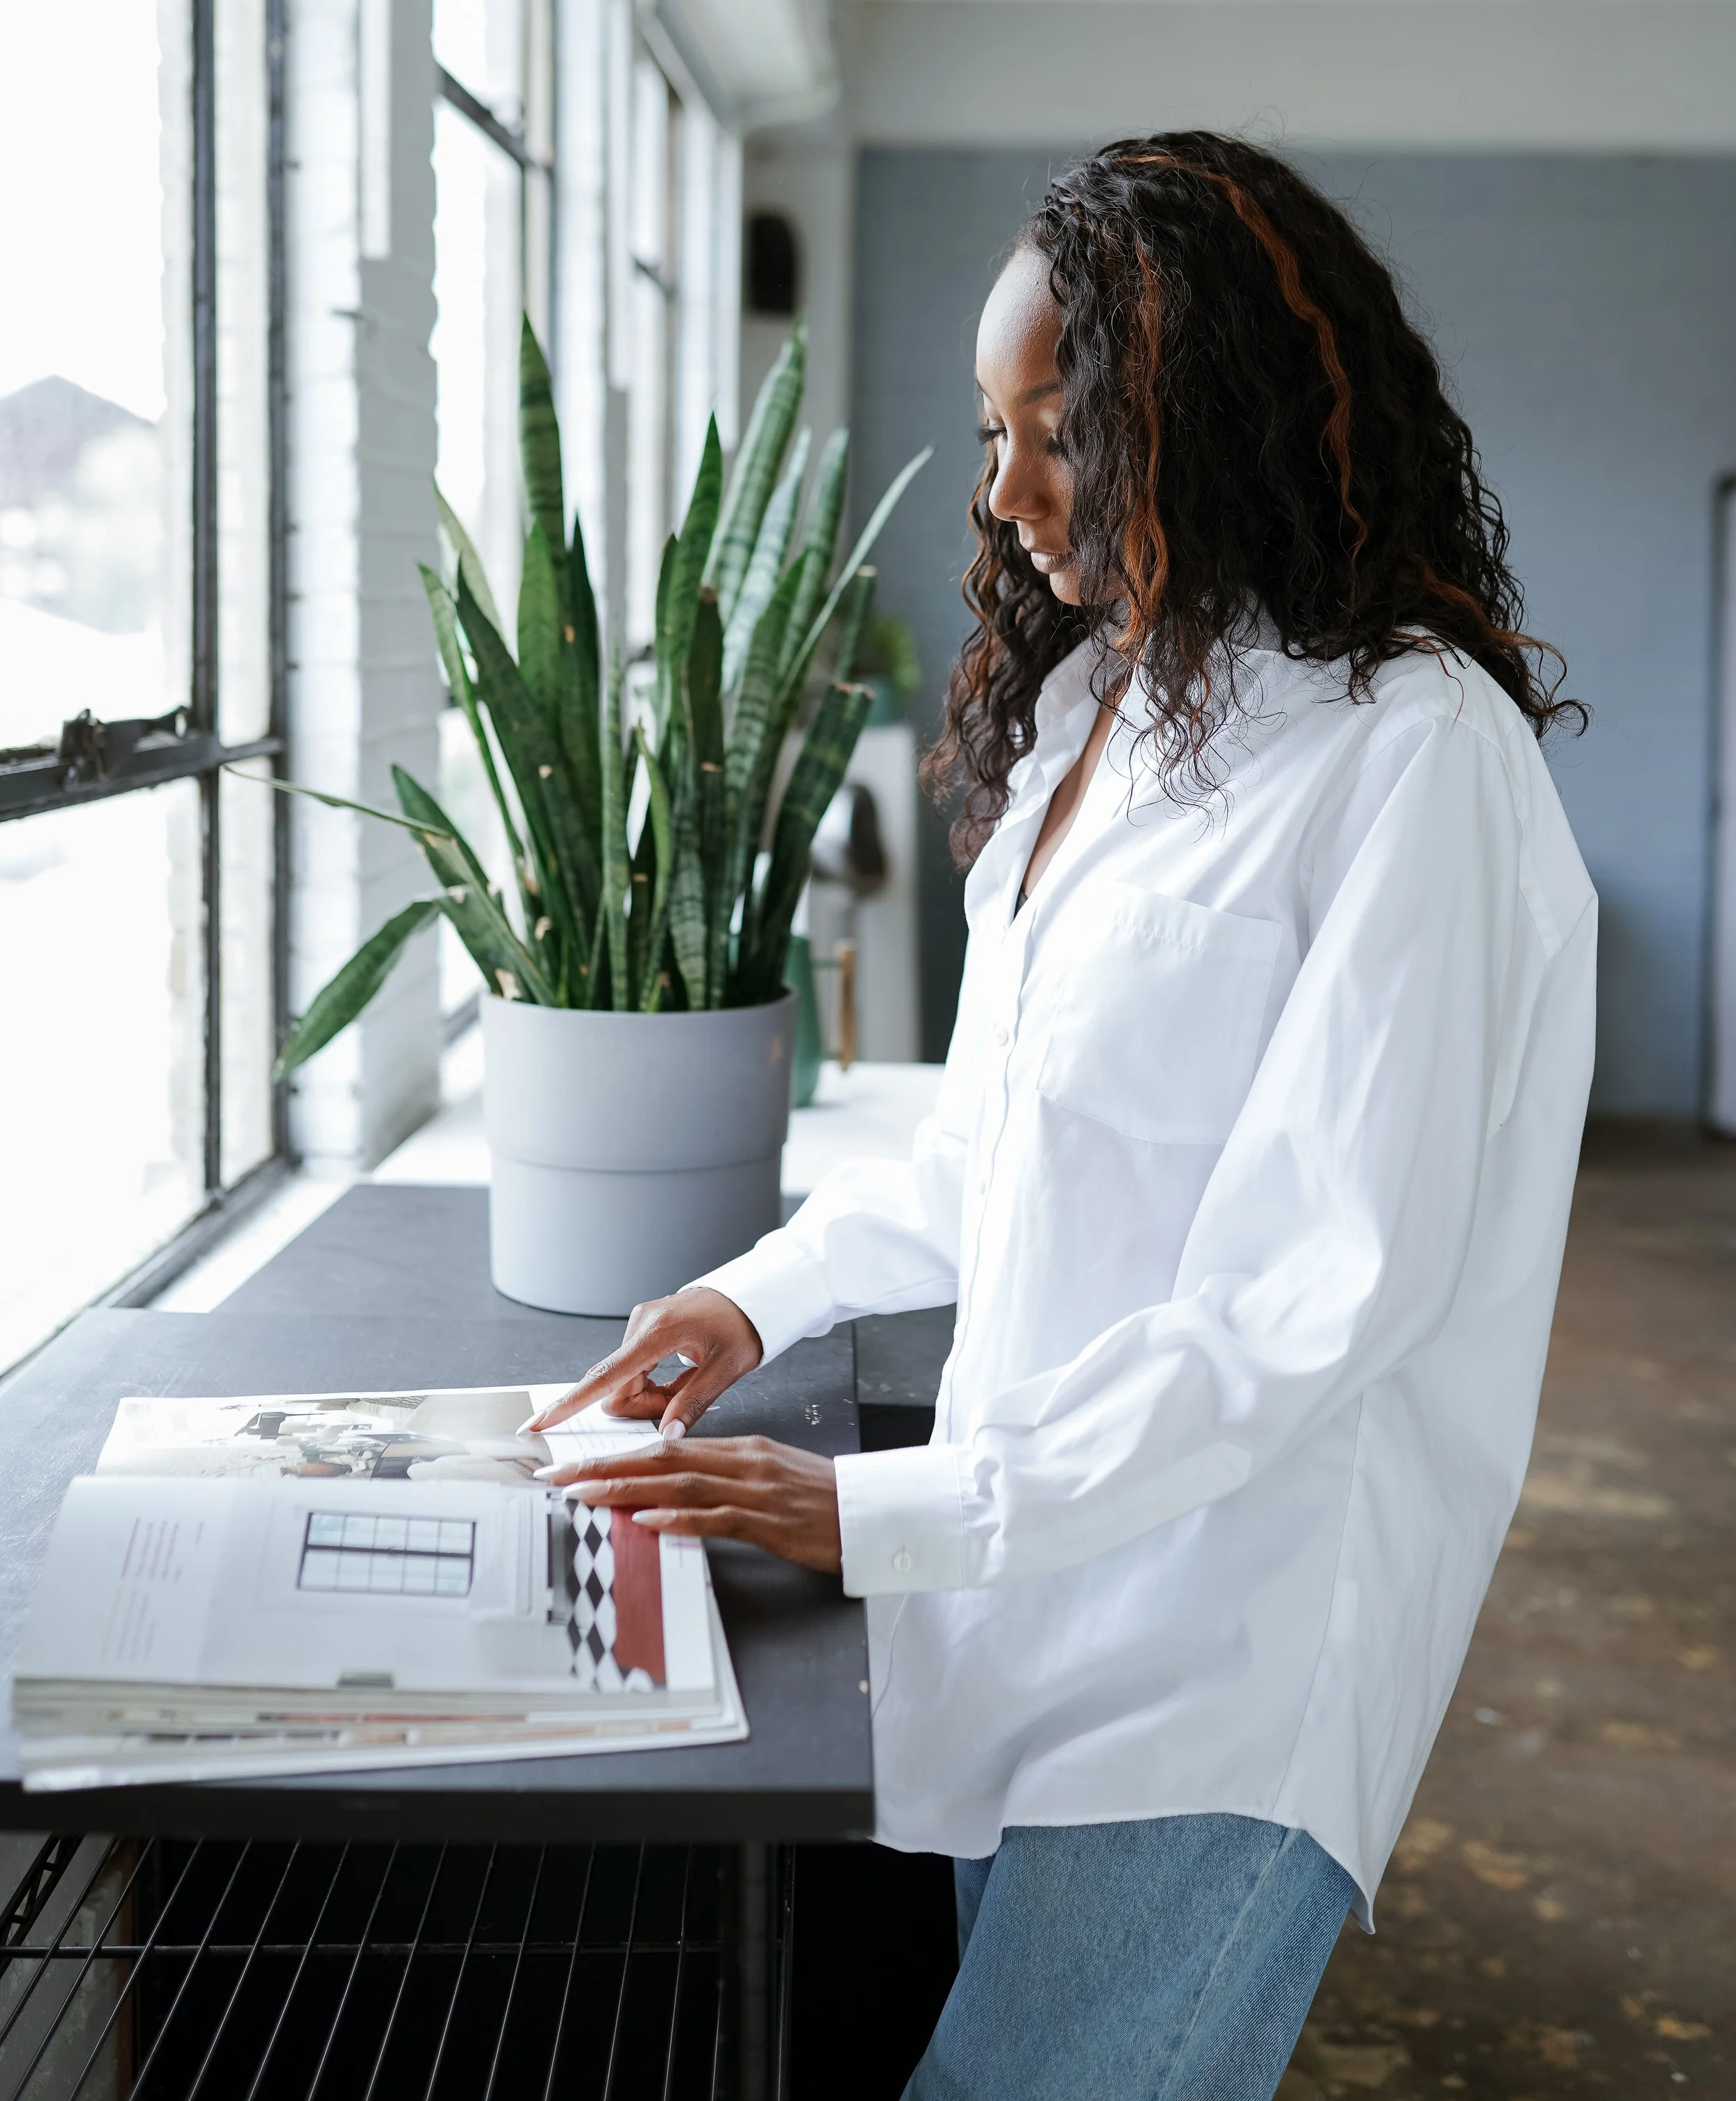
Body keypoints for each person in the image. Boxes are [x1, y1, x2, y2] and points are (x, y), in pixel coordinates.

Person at [530, 135, 1597, 2101]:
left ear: (1216, 425)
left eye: (1062, 434)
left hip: (1225, 1650)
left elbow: (1310, 1299)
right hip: (1030, 1587)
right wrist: (754, 1302)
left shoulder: (1410, 756)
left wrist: (881, 1506)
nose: (1004, 492)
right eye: (988, 427)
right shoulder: (1101, 705)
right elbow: (998, 1148)